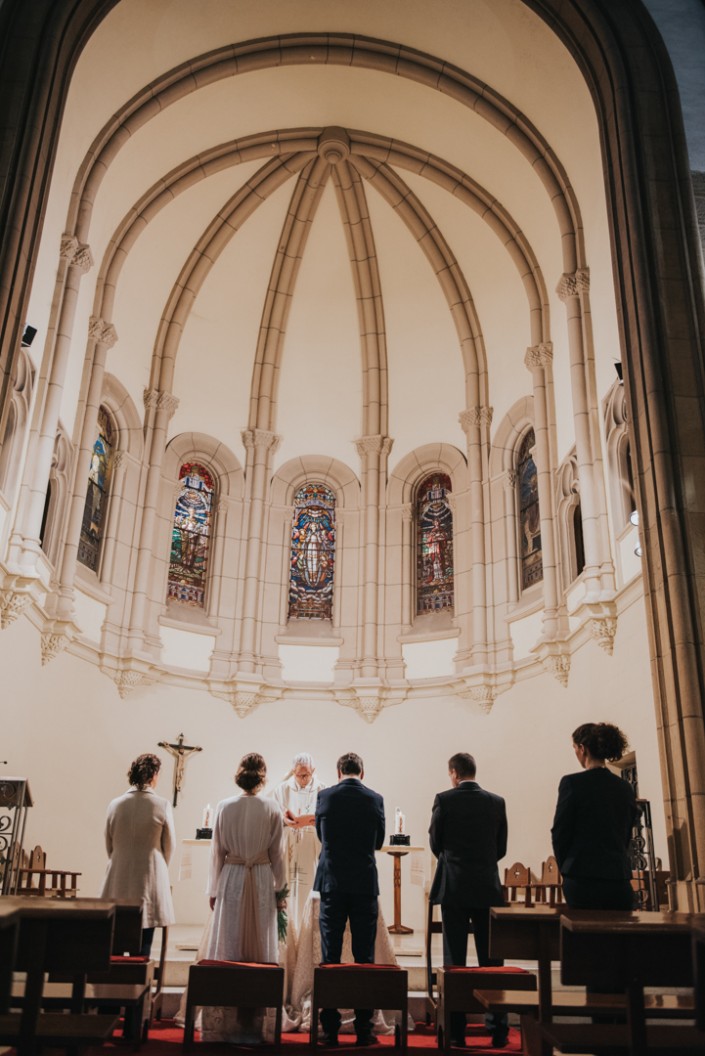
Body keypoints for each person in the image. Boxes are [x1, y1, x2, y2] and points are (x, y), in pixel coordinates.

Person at [202, 752, 287, 1042]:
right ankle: (253, 1023)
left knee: (231, 941)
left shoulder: (225, 807)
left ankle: (229, 1024)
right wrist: (281, 891)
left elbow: (217, 852)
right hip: (262, 878)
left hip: (234, 877)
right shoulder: (272, 807)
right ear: (262, 776)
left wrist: (214, 889)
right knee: (259, 947)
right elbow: (279, 854)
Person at [429, 752, 509, 1050]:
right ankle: (498, 1030)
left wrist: (454, 863)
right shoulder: (496, 801)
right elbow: (501, 846)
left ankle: (455, 1030)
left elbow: (436, 841)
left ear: (453, 773)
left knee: (455, 960)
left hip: (455, 886)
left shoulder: (445, 799)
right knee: (492, 961)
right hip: (488, 887)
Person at [313, 752, 386, 1047]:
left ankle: (329, 1030)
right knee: (364, 957)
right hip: (364, 884)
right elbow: (379, 841)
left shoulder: (325, 796)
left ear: (338, 771)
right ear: (363, 773)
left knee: (330, 955)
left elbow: (321, 836)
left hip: (332, 881)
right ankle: (364, 1030)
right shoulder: (375, 799)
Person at [551, 721, 640, 909]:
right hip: (618, 879)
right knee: (617, 938)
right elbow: (626, 833)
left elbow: (560, 832)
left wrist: (568, 867)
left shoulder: (572, 783)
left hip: (582, 880)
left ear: (582, 749)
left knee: (585, 938)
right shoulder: (625, 787)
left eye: (574, 748)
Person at [101, 752, 176, 957]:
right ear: (154, 775)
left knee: (118, 929)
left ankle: (114, 976)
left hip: (118, 873)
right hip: (149, 874)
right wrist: (160, 866)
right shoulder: (161, 805)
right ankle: (139, 974)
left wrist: (119, 859)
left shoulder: (115, 804)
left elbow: (109, 842)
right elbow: (169, 844)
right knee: (145, 930)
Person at [273, 752, 326, 931]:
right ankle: (289, 930)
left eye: (307, 774)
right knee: (288, 885)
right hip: (289, 844)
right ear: (293, 772)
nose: (303, 779)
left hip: (311, 846)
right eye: (299, 775)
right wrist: (284, 819)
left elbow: (326, 817)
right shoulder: (282, 789)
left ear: (313, 770)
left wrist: (314, 820)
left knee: (309, 886)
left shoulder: (322, 790)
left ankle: (308, 929)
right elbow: (274, 814)